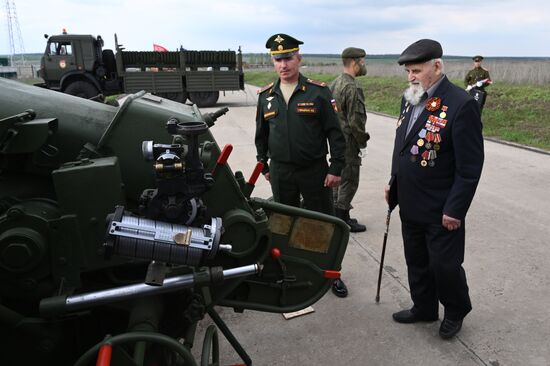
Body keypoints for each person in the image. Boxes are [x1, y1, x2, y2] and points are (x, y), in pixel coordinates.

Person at [385, 39, 484, 339]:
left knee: (445, 266)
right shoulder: (410, 98)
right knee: (416, 260)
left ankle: (455, 310)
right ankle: (424, 307)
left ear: (437, 66)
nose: (411, 77)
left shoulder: (461, 104)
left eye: (416, 70)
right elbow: (401, 146)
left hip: (442, 207)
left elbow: (470, 167)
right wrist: (394, 182)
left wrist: (455, 209)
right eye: (408, 71)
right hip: (411, 200)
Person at [255, 33, 349, 298]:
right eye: (278, 59)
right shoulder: (266, 96)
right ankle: (287, 270)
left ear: (299, 58)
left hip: (314, 171)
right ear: (273, 62)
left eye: (287, 58)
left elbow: (335, 133)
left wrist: (336, 167)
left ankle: (331, 274)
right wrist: (263, 164)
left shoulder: (318, 92)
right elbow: (261, 135)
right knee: (282, 223)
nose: (283, 65)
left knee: (321, 222)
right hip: (281, 171)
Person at [329, 47, 370, 233]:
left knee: (339, 179)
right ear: (355, 62)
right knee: (350, 180)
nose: (364, 65)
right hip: (349, 142)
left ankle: (337, 215)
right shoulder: (352, 87)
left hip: (336, 140)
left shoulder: (335, 83)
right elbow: (356, 121)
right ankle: (342, 219)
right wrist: (363, 141)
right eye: (363, 61)